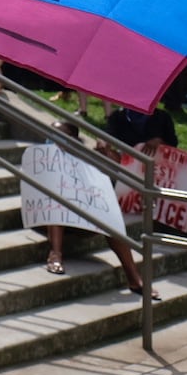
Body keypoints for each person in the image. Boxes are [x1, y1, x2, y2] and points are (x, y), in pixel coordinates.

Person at [101, 103, 187, 280]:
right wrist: (105, 149)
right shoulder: (117, 118)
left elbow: (174, 150)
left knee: (182, 207)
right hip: (129, 177)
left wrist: (160, 142)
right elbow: (112, 148)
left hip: (160, 176)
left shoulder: (162, 117)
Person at [37, 120, 157, 298]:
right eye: (51, 135)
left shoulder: (86, 160)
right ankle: (55, 254)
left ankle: (134, 277)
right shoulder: (38, 158)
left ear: (74, 139)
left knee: (110, 218)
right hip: (49, 216)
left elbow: (103, 188)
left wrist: (104, 156)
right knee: (57, 198)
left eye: (59, 135)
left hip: (81, 218)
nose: (53, 140)